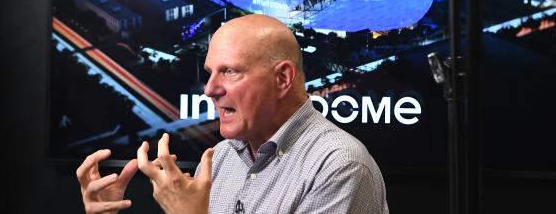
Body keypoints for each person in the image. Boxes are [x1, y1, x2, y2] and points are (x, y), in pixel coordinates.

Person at [77, 14, 389, 214]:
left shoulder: (339, 166)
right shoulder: (222, 157)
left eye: (229, 72)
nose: (210, 89)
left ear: (282, 78)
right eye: (210, 73)